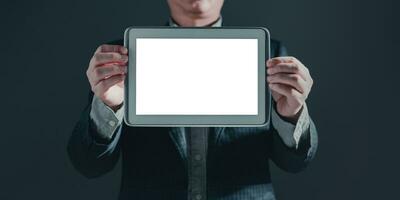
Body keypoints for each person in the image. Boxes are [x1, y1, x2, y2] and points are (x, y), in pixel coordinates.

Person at [67, 0, 318, 199]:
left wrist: (291, 114)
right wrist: (108, 106)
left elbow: (295, 163)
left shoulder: (269, 55)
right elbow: (89, 165)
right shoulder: (119, 60)